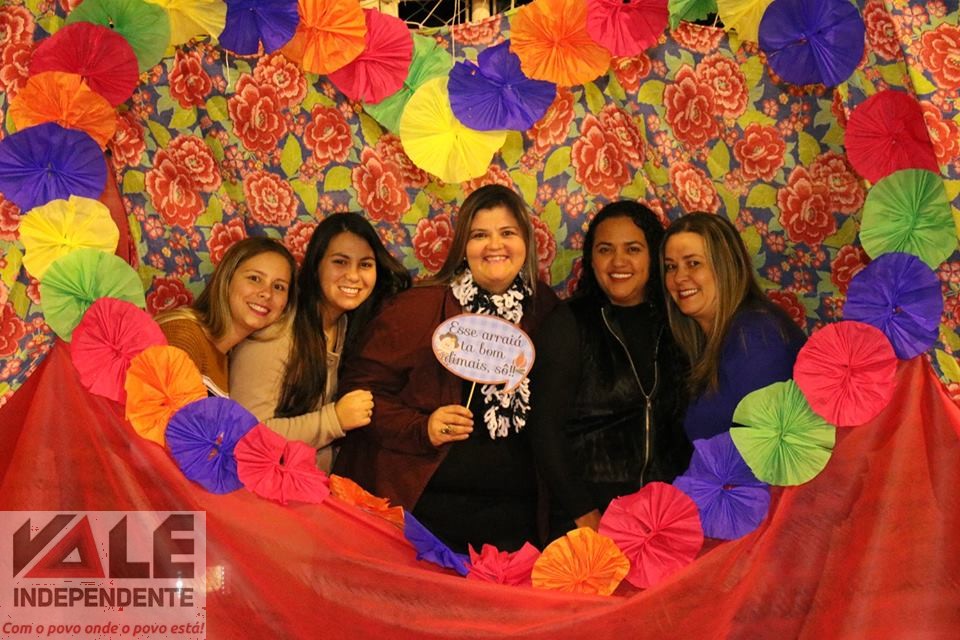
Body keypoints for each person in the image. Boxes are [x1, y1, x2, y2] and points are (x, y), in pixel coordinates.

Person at [334, 185, 558, 553]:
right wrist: (423, 428)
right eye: (479, 235)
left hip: (517, 516)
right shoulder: (419, 308)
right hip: (432, 510)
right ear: (462, 246)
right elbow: (358, 392)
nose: (494, 245)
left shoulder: (544, 310)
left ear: (526, 243)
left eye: (507, 233)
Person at [527, 201, 691, 537]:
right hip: (588, 520)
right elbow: (545, 430)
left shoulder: (678, 321)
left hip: (663, 518)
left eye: (633, 249)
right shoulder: (568, 323)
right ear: (591, 259)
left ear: (654, 256)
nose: (618, 262)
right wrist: (586, 515)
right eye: (605, 250)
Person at [230, 213, 411, 472]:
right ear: (316, 266)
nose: (353, 276)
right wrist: (334, 420)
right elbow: (248, 435)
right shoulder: (277, 333)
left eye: (365, 264)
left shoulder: (346, 324)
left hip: (317, 480)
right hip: (259, 484)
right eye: (340, 262)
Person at [662, 212, 806, 442]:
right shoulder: (712, 338)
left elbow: (770, 446)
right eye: (671, 267)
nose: (679, 277)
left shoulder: (757, 336)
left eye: (693, 263)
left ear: (727, 266)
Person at [156, 237, 296, 397]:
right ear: (227, 278)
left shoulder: (228, 358)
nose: (267, 293)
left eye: (279, 287)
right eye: (254, 278)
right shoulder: (184, 335)